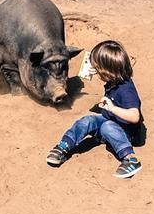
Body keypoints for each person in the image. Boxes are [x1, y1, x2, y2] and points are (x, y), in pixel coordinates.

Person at [46, 40, 143, 178]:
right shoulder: (115, 78)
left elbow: (135, 117)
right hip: (110, 120)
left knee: (107, 127)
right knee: (88, 120)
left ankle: (131, 159)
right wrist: (93, 72)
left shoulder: (126, 90)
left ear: (107, 70)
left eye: (97, 68)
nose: (95, 70)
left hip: (126, 132)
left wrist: (113, 108)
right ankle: (63, 146)